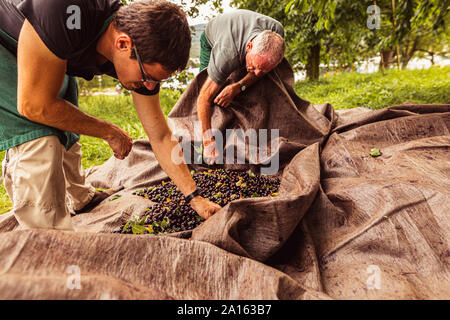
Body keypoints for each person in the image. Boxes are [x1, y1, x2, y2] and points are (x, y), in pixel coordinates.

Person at [0, 0, 221, 230]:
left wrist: (194, 197)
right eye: (147, 77)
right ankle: (45, 240)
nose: (148, 86)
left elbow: (161, 136)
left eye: (156, 81)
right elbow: (35, 105)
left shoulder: (136, 50)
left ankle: (80, 197)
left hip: (50, 45)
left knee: (66, 116)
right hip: (6, 42)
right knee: (40, 135)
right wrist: (108, 131)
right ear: (123, 43)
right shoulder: (66, 11)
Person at [197, 9, 286, 164]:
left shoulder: (277, 33)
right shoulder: (227, 54)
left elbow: (259, 71)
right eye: (255, 66)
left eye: (263, 69)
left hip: (240, 36)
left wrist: (238, 87)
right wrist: (208, 143)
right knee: (206, 90)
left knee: (255, 84)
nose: (257, 73)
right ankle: (201, 139)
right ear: (249, 46)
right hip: (212, 38)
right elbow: (203, 98)